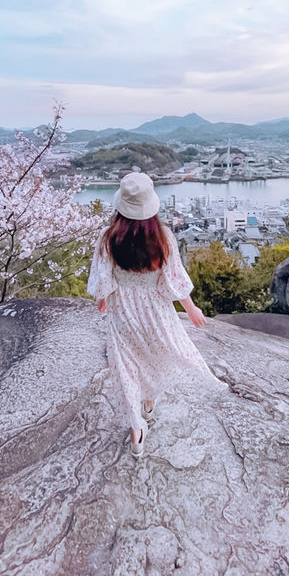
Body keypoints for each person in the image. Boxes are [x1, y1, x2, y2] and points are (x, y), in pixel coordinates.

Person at [87, 171, 226, 458]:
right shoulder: (163, 238)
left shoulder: (108, 238)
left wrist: (103, 299)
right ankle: (148, 405)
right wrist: (192, 309)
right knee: (156, 356)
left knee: (127, 367)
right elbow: (173, 281)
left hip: (123, 313)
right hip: (156, 312)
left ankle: (136, 431)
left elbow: (103, 278)